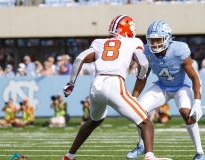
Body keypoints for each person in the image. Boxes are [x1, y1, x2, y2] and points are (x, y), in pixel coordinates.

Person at [62, 15, 161, 160]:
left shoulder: (99, 42)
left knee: (94, 120)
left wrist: (71, 83)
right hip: (114, 84)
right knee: (146, 122)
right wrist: (140, 77)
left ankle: (69, 156)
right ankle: (149, 156)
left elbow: (79, 58)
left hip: (96, 85)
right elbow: (144, 63)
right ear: (128, 29)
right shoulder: (134, 42)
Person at [126, 20, 205, 160]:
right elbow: (142, 78)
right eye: (152, 40)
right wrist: (133, 99)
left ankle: (199, 152)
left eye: (158, 39)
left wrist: (198, 102)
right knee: (138, 111)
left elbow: (194, 78)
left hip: (182, 86)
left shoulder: (179, 49)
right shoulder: (146, 51)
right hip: (162, 86)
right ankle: (141, 145)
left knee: (186, 113)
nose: (155, 43)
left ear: (168, 38)